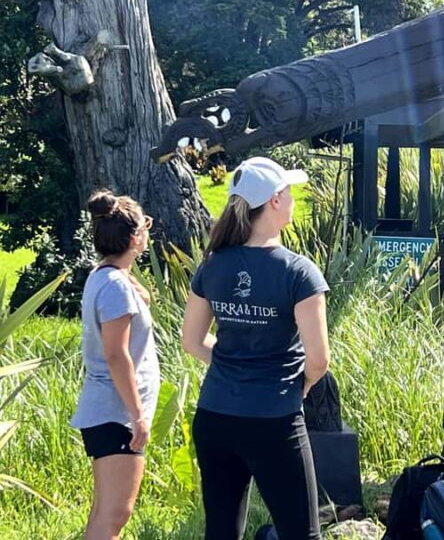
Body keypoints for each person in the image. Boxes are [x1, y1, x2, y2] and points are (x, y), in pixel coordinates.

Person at [182, 156, 330, 540]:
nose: (294, 199)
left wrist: (234, 363)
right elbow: (318, 359)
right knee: (302, 533)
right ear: (276, 201)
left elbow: (191, 341)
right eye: (289, 192)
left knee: (221, 532)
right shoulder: (299, 272)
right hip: (273, 418)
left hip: (214, 415)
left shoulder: (212, 264)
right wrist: (304, 384)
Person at [71, 190, 159, 540]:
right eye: (146, 227)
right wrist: (137, 415)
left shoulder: (105, 276)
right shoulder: (114, 287)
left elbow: (138, 302)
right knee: (114, 516)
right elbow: (116, 354)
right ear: (136, 237)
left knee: (107, 515)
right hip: (116, 412)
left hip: (110, 411)